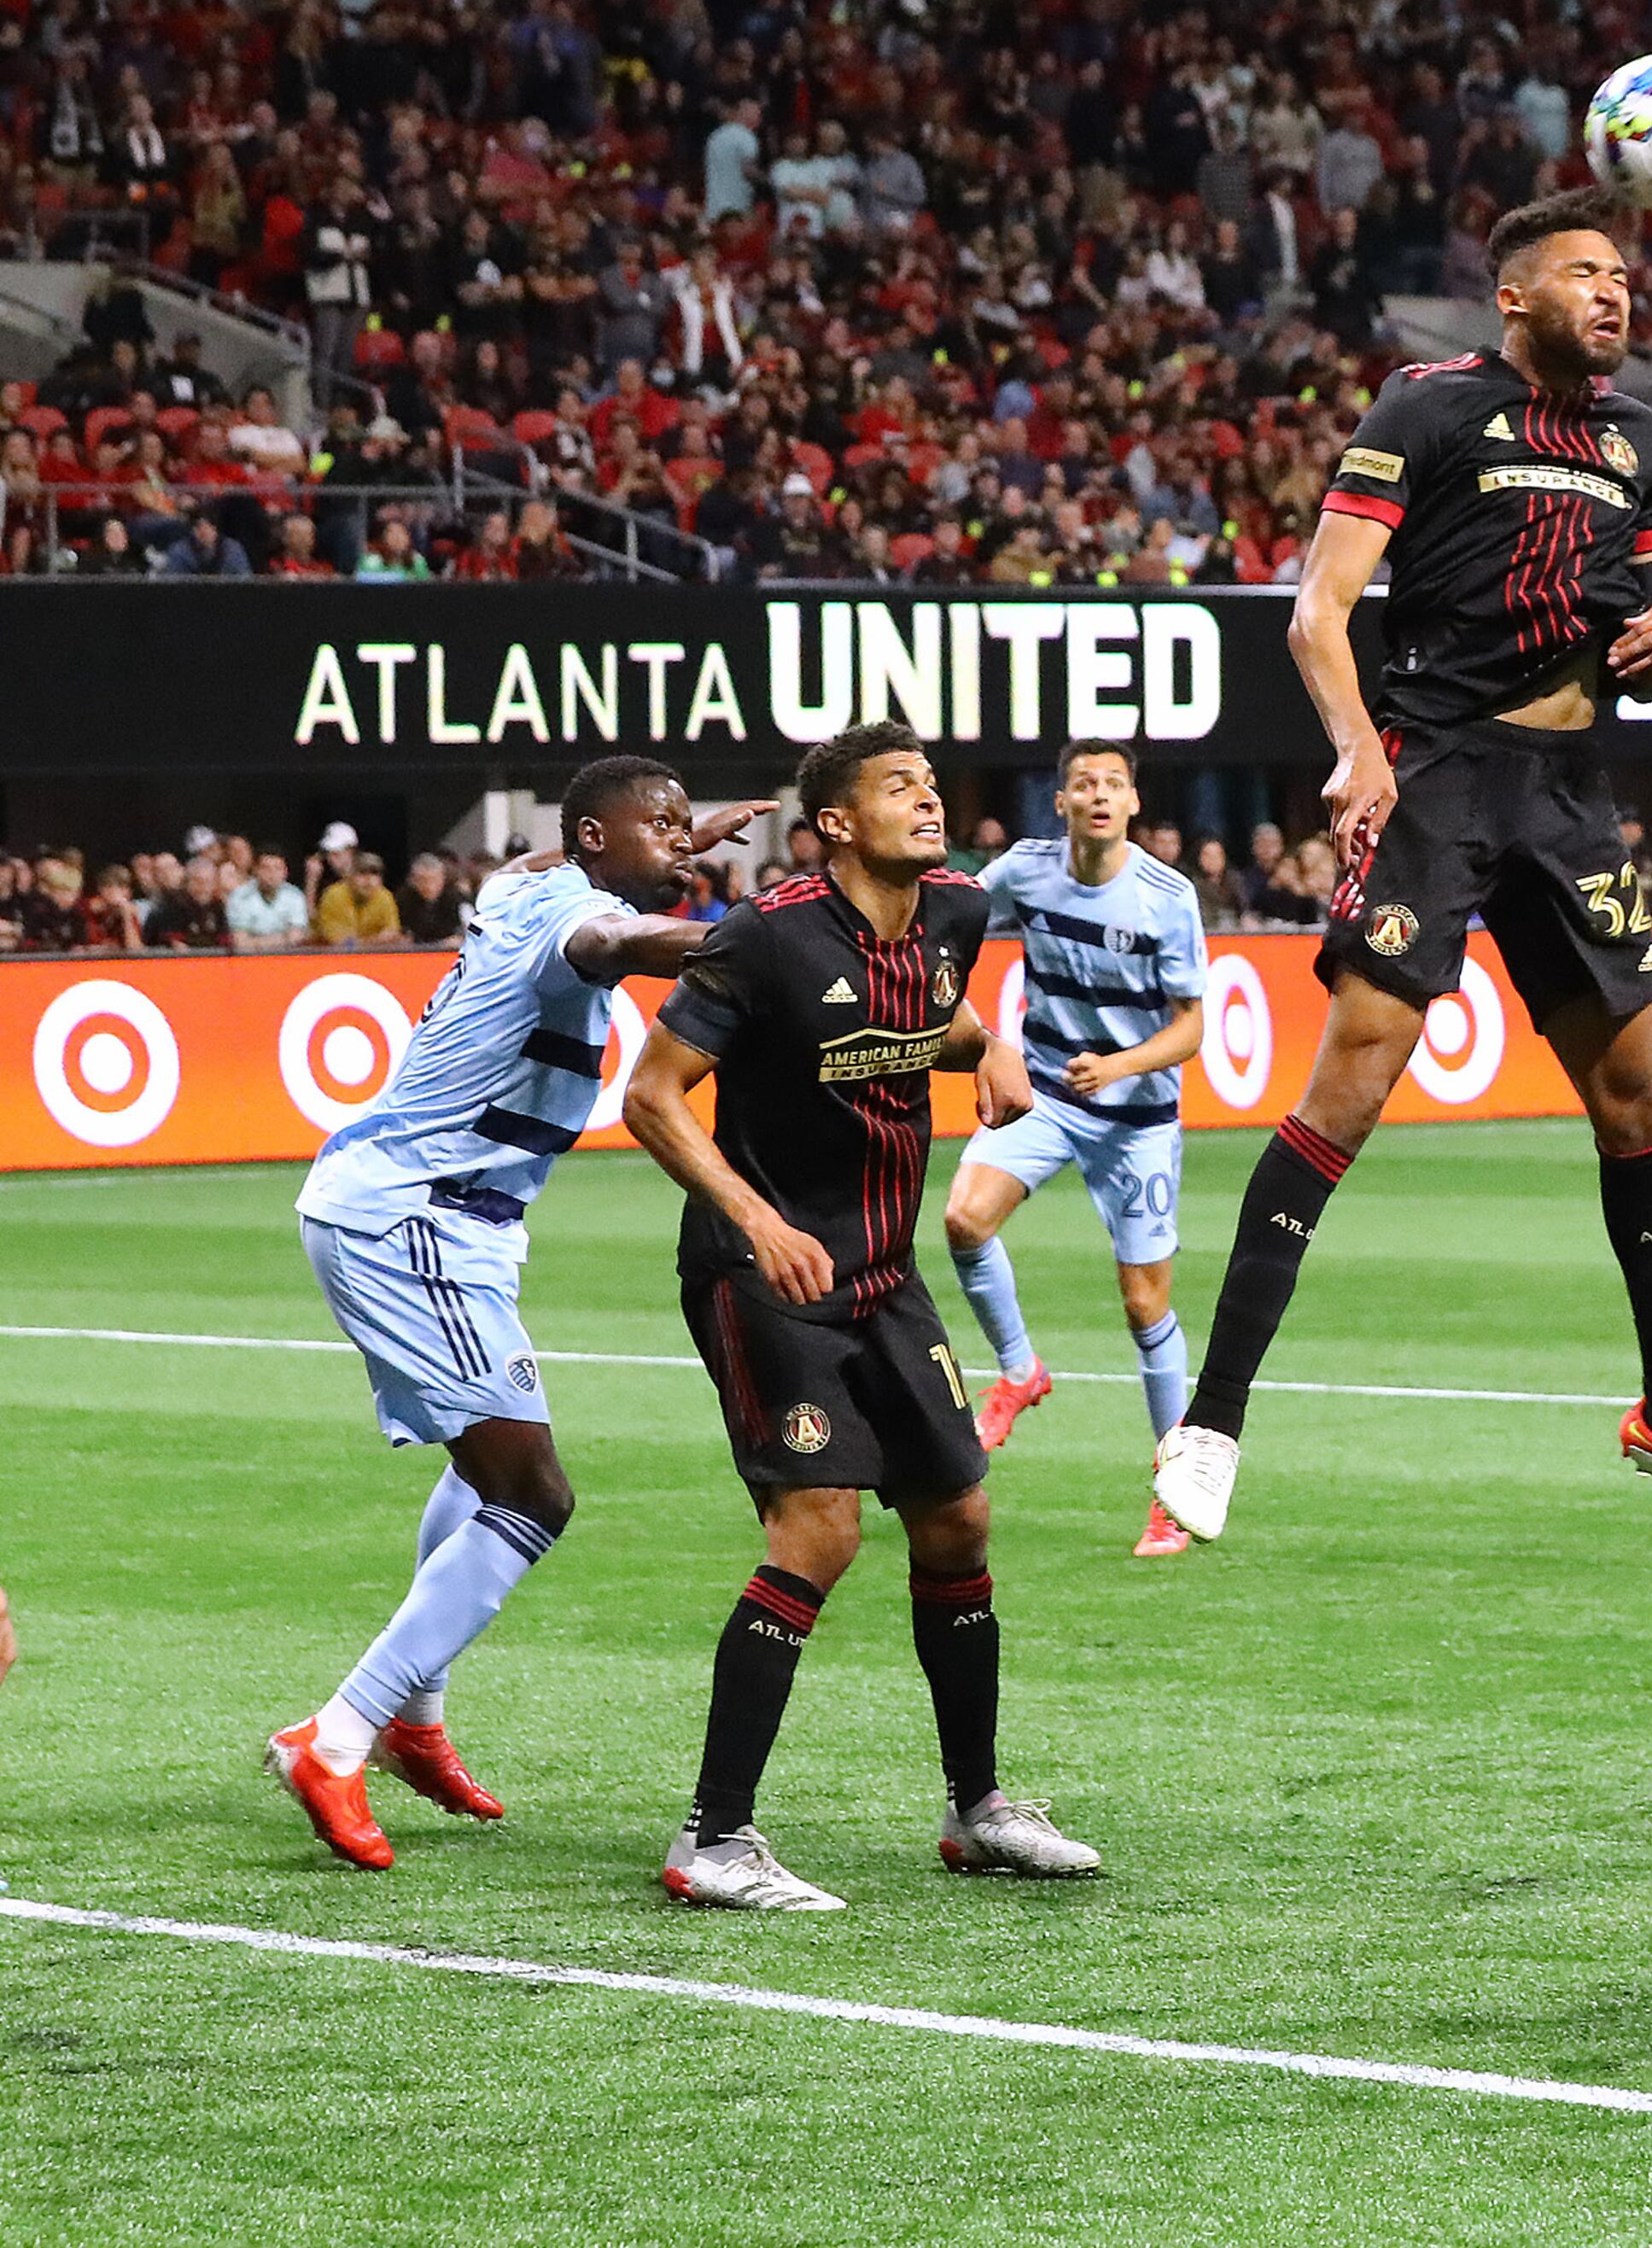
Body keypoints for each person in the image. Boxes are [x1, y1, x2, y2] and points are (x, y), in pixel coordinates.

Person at [1148, 187, 1652, 1574]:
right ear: (1517, 294)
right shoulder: (1425, 408)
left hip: (1569, 784)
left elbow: (1645, 626)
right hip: (1439, 765)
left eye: (1623, 275)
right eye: (1584, 272)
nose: (1613, 293)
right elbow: (1319, 612)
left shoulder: (1637, 439)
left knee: (1636, 1094)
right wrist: (1360, 753)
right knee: (1354, 1074)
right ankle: (1211, 1422)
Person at [623, 723, 1095, 1912]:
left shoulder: (956, 913)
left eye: (932, 783)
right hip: (762, 1270)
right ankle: (712, 1837)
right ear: (836, 822)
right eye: (899, 787)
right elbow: (651, 1094)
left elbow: (937, 1013)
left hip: (883, 1275)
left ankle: (978, 1807)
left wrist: (991, 1053)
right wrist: (753, 1217)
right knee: (820, 1528)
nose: (928, 800)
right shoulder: (767, 936)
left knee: (959, 1517)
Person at [267, 759, 768, 1871]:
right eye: (662, 824)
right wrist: (792, 934)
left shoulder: (521, 882)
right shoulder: (578, 919)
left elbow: (553, 864)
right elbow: (616, 946)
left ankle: (414, 1718)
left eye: (693, 823)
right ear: (594, 834)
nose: (683, 841)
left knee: (477, 1470)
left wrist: (675, 845)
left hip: (442, 1220)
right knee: (533, 1495)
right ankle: (335, 1736)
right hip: (415, 1223)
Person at [943, 739, 1211, 1558]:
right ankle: (1020, 1371)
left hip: (1137, 1119)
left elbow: (1191, 1027)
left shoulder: (1168, 897)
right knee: (963, 1220)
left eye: (1114, 784)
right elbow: (947, 919)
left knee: (1144, 1307)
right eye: (1083, 784)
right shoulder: (1025, 870)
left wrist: (1121, 1066)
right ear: (1060, 803)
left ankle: (1172, 1493)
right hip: (1049, 1097)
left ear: (1133, 803)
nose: (1099, 795)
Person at [315, 850, 406, 947]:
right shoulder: (334, 895)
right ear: (349, 877)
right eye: (362, 873)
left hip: (374, 957)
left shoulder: (385, 897)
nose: (369, 880)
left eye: (375, 874)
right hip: (333, 957)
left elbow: (393, 934)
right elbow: (338, 942)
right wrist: (375, 940)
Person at [227, 850, 312, 949]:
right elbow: (240, 942)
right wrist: (283, 938)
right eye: (266, 868)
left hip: (286, 958)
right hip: (250, 959)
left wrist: (256, 942)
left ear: (285, 872)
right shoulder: (240, 896)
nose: (272, 874)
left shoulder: (295, 896)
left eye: (277, 868)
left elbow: (296, 937)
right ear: (256, 870)